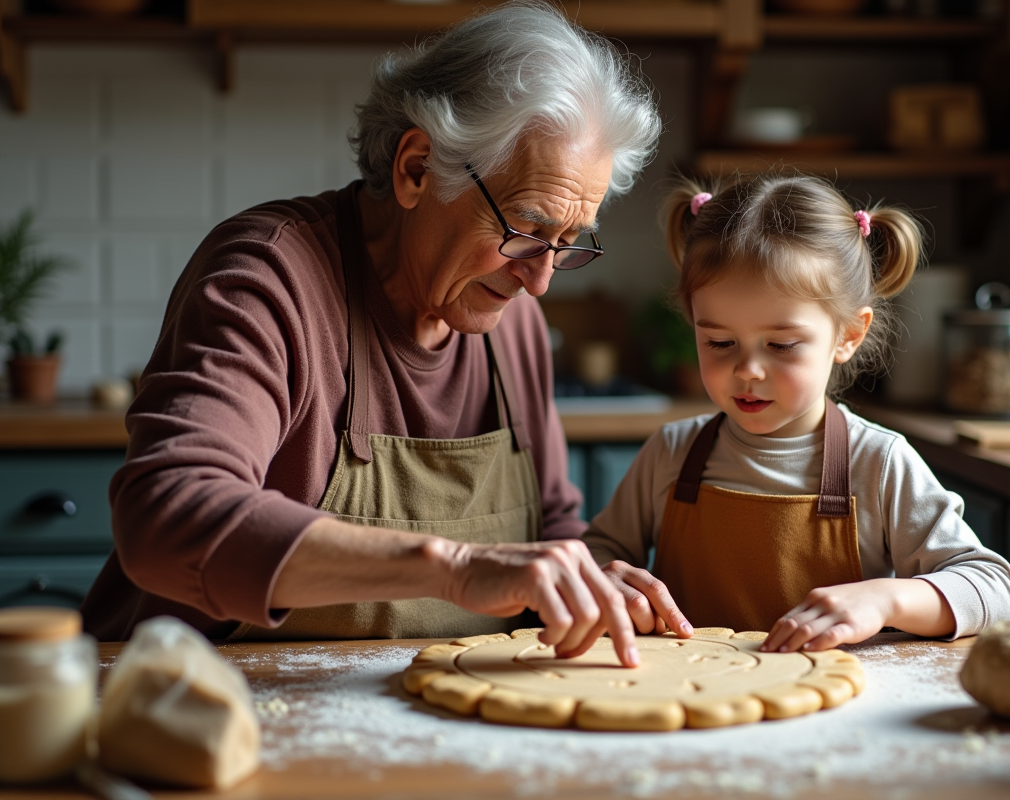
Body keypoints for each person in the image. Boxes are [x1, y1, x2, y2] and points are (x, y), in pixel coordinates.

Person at [80, 1, 686, 668]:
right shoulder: (268, 278)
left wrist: (590, 577)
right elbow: (166, 518)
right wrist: (451, 566)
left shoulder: (509, 322)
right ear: (417, 168)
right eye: (524, 228)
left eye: (567, 243)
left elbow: (549, 524)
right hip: (193, 709)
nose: (540, 280)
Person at [587, 172, 1010, 652]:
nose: (748, 369)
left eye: (781, 344)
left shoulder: (878, 463)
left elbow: (995, 588)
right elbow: (597, 553)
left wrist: (885, 600)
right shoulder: (671, 453)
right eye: (719, 342)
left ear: (847, 336)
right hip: (696, 713)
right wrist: (606, 579)